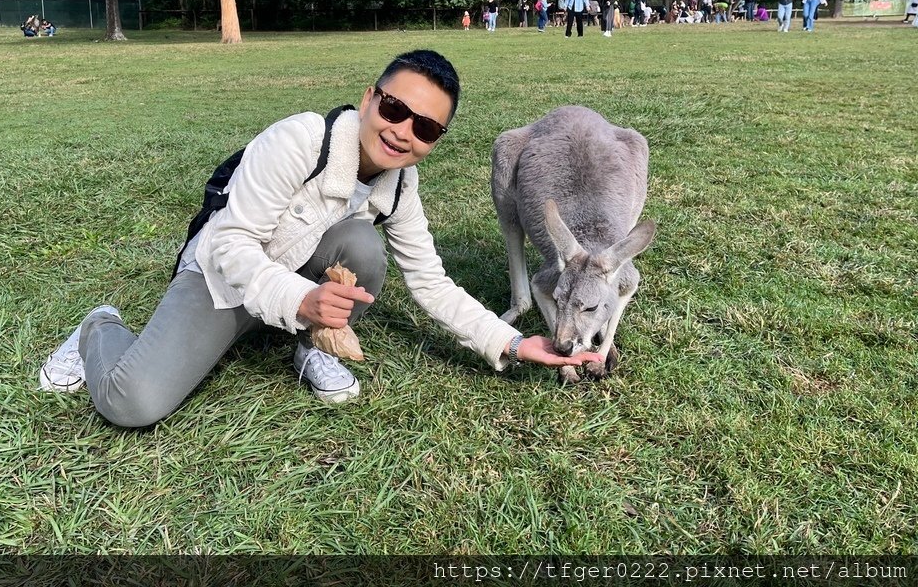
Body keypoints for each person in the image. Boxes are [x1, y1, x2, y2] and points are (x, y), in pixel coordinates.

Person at [37, 51, 604, 425]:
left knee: (363, 246)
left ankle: (310, 349)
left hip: (291, 286)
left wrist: (509, 342)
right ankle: (99, 327)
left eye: (426, 127)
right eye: (394, 108)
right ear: (368, 99)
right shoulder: (299, 141)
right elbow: (231, 245)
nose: (402, 132)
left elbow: (430, 281)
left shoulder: (401, 185)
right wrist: (299, 299)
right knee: (132, 402)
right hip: (224, 278)